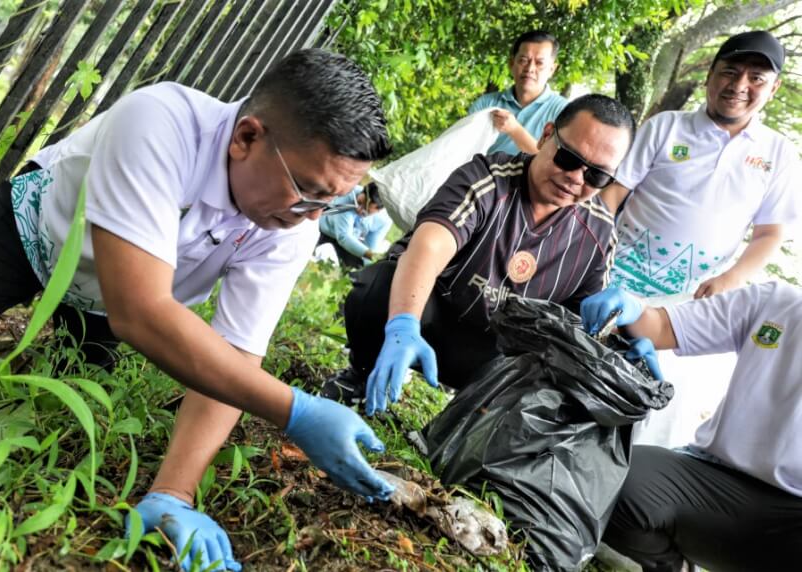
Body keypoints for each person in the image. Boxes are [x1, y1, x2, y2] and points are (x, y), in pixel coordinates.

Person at [0, 49, 395, 571]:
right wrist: (295, 410)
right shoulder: (161, 122)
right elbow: (141, 311)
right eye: (306, 189)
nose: (309, 214)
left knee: (73, 400)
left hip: (111, 294)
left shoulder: (292, 226)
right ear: (247, 137)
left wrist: (175, 492)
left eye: (328, 203)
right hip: (39, 232)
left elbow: (236, 358)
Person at [319, 94, 635, 415]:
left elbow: (583, 329)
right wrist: (403, 324)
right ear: (546, 135)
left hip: (495, 361)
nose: (576, 178)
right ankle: (361, 374)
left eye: (597, 175)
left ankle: (466, 429)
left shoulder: (598, 235)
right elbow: (429, 245)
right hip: (430, 316)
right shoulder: (488, 178)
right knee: (380, 285)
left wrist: (625, 338)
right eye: (568, 158)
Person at [599, 30, 801, 447]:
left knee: (652, 407)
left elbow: (770, 234)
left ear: (774, 87)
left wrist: (732, 280)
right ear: (711, 75)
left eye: (756, 78)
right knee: (583, 369)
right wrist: (590, 255)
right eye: (730, 71)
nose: (739, 85)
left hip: (689, 306)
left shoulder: (778, 154)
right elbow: (613, 193)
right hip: (616, 280)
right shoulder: (665, 127)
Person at [581, 284, 802, 571]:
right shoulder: (777, 303)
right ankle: (671, 567)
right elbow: (660, 325)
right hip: (711, 480)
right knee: (615, 480)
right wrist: (627, 309)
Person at [467, 30, 569, 155]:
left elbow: (556, 162)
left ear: (551, 70)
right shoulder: (486, 104)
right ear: (511, 64)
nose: (530, 69)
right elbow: (464, 149)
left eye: (539, 63)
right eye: (523, 60)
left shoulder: (564, 112)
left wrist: (514, 130)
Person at [317, 181, 392, 269]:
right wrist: (371, 255)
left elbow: (370, 248)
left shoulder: (383, 221)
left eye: (366, 210)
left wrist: (370, 266)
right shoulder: (348, 193)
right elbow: (344, 236)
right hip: (322, 228)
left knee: (359, 267)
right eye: (359, 202)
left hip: (351, 239)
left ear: (379, 210)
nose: (359, 210)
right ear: (361, 191)